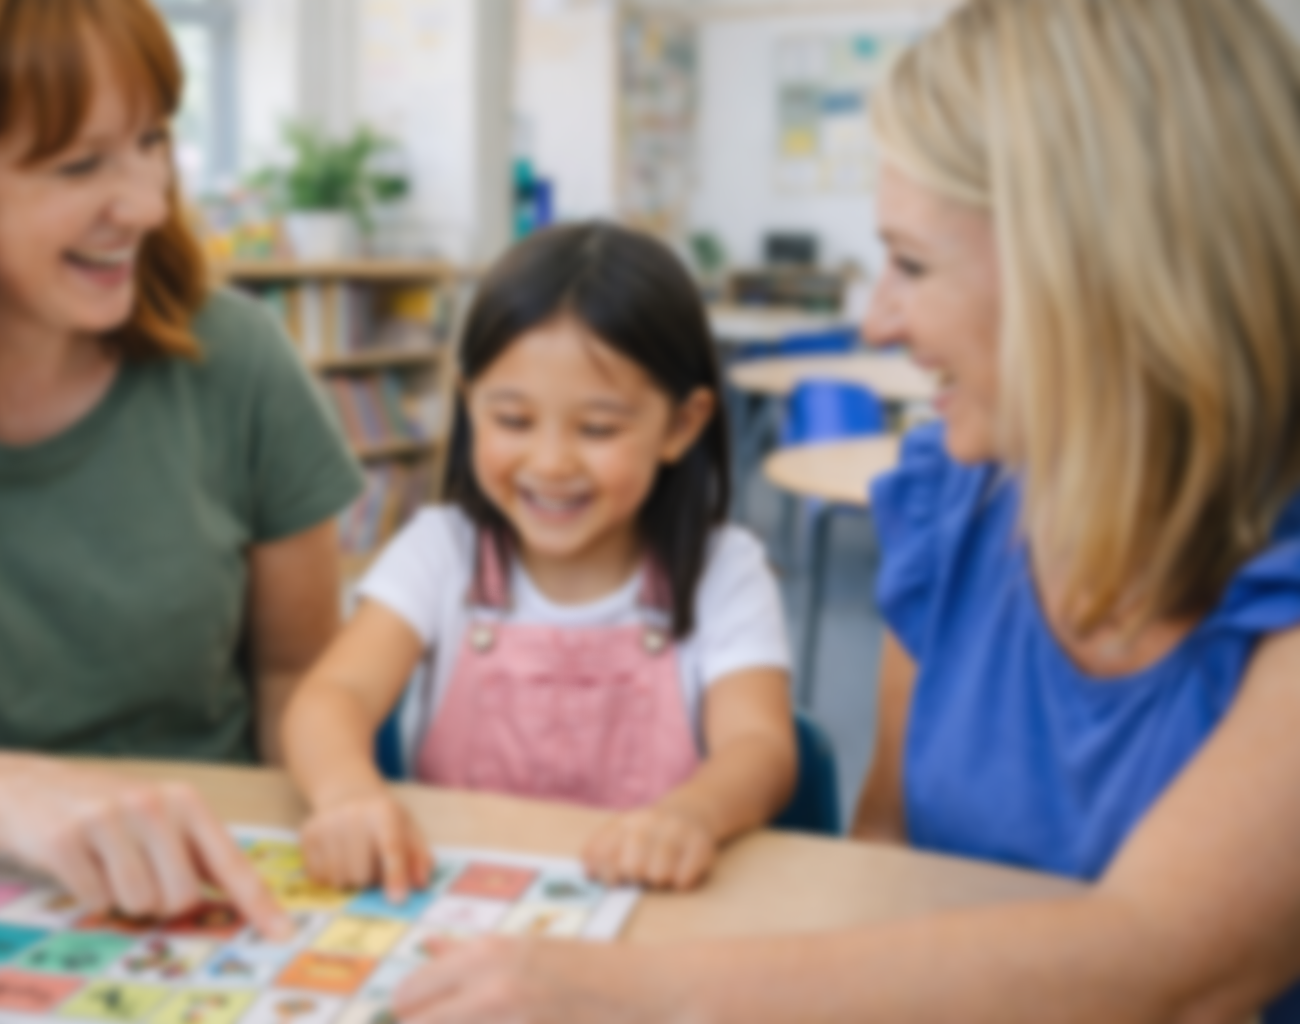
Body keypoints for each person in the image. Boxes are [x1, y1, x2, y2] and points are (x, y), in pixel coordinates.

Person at [390, 0, 1300, 1020]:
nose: (876, 317)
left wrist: (628, 993)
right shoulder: (955, 505)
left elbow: (1169, 965)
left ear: (1096, 272)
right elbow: (885, 854)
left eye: (910, 263)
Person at [0, 0, 362, 937]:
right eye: (80, 165)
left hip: (203, 900)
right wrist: (15, 799)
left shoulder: (239, 361)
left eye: (153, 141)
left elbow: (301, 679)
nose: (149, 205)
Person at [283, 223, 799, 899]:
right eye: (513, 421)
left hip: (646, 909)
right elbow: (331, 697)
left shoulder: (724, 569)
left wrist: (691, 814)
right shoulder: (442, 549)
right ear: (470, 404)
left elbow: (761, 747)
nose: (550, 463)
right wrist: (347, 792)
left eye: (597, 429)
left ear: (681, 425)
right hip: (458, 902)